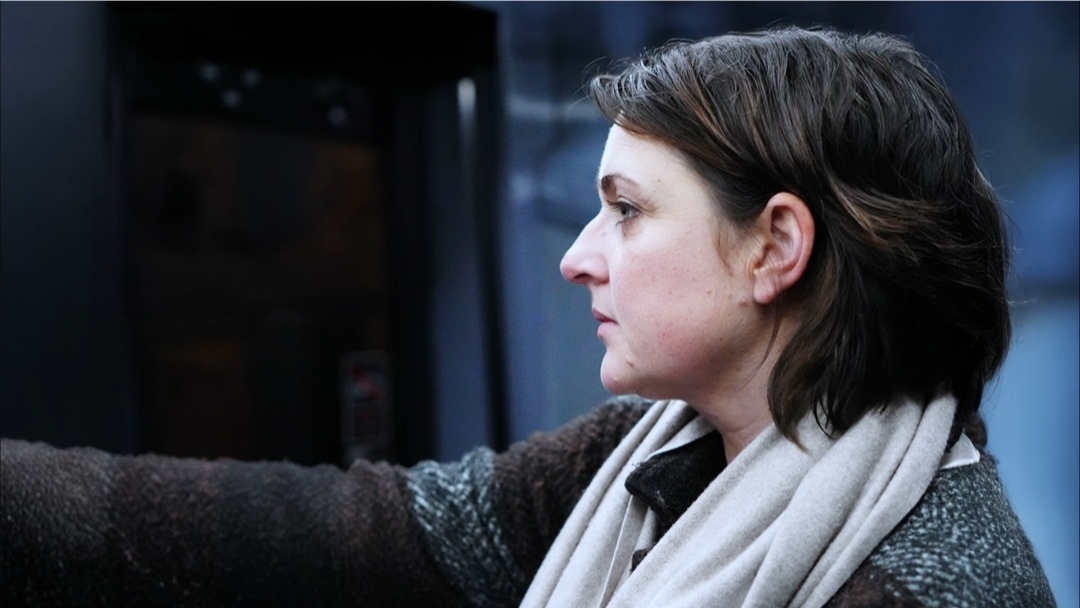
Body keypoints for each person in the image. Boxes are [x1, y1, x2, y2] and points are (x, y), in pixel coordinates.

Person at [0, 26, 1056, 608]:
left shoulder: (939, 584)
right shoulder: (643, 461)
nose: (575, 257)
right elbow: (331, 533)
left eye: (626, 211)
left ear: (774, 247)